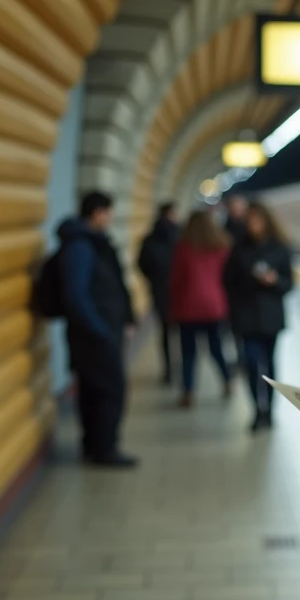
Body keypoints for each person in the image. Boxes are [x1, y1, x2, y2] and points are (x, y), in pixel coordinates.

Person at [59, 191, 137, 467]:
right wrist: (101, 330)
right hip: (94, 336)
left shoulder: (93, 244)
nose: (110, 218)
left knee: (93, 391)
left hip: (96, 332)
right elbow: (76, 295)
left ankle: (94, 446)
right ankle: (105, 450)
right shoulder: (82, 247)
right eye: (108, 212)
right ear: (97, 213)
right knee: (109, 392)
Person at [223, 200, 294, 431]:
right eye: (249, 219)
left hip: (271, 316)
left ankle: (270, 410)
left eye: (256, 219)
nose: (252, 224)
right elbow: (227, 281)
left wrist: (274, 281)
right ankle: (257, 409)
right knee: (252, 362)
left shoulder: (280, 247)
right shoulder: (238, 248)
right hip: (246, 315)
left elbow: (289, 283)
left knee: (271, 364)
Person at [169, 210, 233, 408]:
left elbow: (176, 280)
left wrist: (172, 307)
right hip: (214, 307)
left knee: (188, 352)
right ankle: (227, 380)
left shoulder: (184, 248)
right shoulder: (222, 247)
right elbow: (229, 279)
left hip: (188, 308)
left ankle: (188, 392)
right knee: (216, 349)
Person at [137, 202, 180, 384]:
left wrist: (153, 279)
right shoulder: (180, 235)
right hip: (180, 291)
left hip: (160, 290)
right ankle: (181, 368)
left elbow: (141, 264)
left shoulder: (150, 238)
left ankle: (169, 369)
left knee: (164, 332)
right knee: (182, 331)